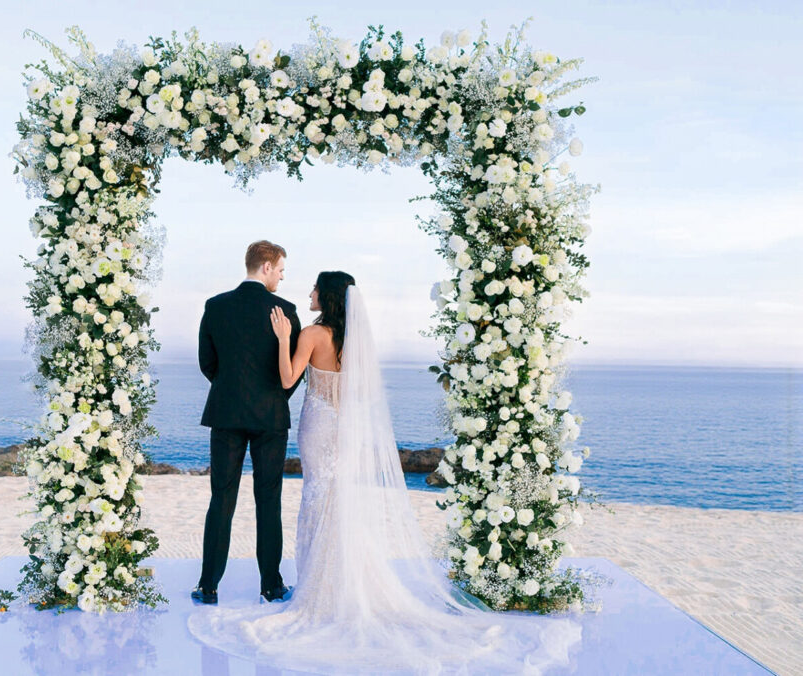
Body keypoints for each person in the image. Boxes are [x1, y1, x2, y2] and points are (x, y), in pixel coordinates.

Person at [187, 272, 583, 675]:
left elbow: (277, 375)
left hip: (311, 425)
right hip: (343, 427)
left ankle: (285, 588)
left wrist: (286, 339)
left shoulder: (305, 332)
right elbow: (344, 390)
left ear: (327, 296)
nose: (308, 293)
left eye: (314, 289)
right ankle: (320, 583)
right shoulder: (356, 340)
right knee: (329, 499)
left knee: (307, 499)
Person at [191, 240, 303, 606]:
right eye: (281, 270)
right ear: (267, 267)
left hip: (226, 413)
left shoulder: (215, 306)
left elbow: (207, 362)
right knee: (268, 500)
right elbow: (292, 373)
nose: (282, 278)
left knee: (221, 498)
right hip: (270, 417)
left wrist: (231, 391)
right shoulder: (285, 310)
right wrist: (271, 397)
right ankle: (271, 586)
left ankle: (208, 587)